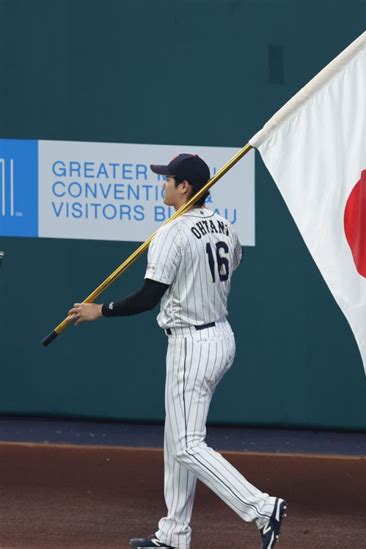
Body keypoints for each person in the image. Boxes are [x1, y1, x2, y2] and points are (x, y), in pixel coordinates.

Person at [68, 153, 287, 549]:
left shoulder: (171, 232)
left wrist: (100, 310)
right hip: (219, 335)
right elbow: (235, 261)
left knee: (186, 444)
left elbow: (149, 297)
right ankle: (173, 535)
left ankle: (261, 507)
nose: (162, 184)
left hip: (192, 342)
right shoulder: (224, 224)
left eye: (167, 179)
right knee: (178, 440)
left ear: (185, 187)